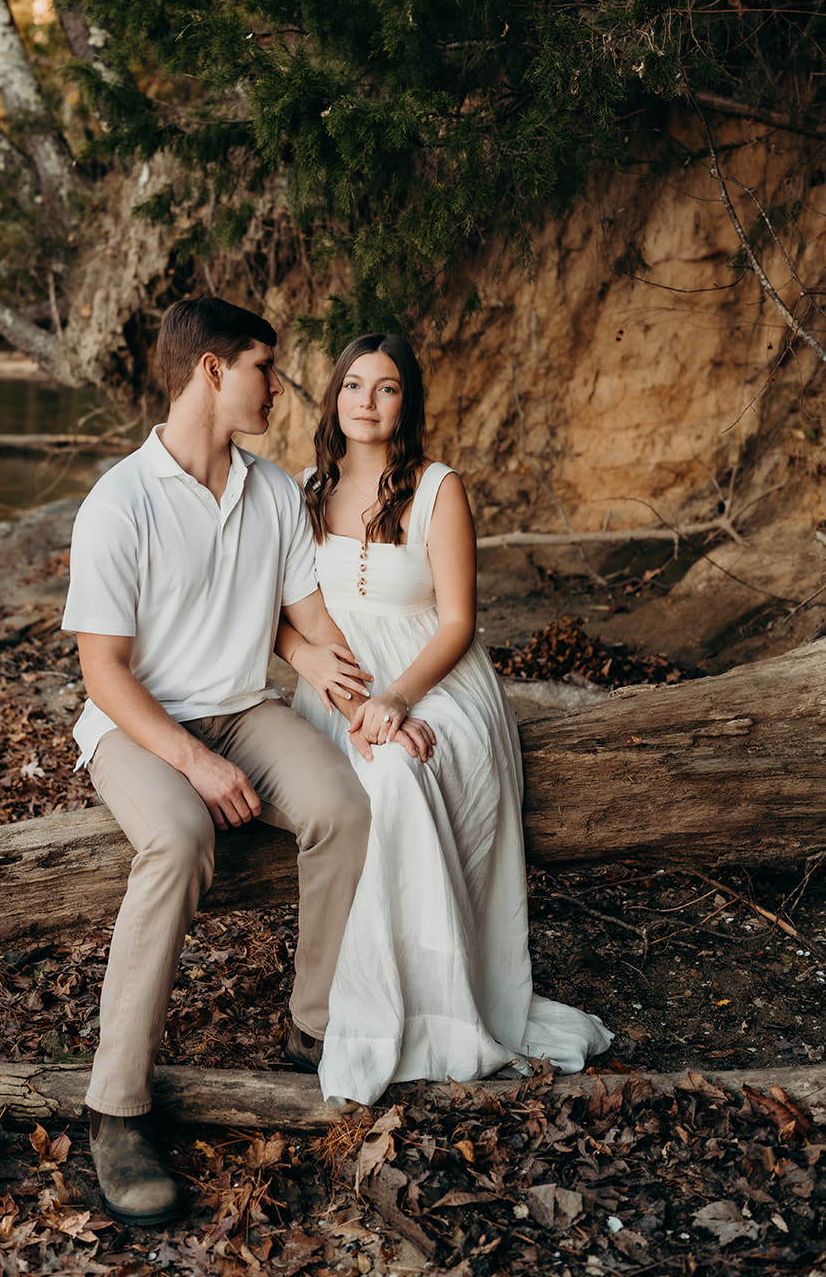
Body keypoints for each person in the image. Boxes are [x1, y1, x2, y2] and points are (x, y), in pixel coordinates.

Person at [61, 297, 372, 1225]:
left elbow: (308, 626)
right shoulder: (120, 500)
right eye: (263, 370)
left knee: (344, 808)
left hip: (245, 710)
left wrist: (360, 691)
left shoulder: (272, 491)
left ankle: (310, 1032)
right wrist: (193, 763)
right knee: (178, 836)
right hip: (137, 728)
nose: (278, 388)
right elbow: (103, 674)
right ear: (210, 371)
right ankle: (115, 1108)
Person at [276, 333, 612, 1106]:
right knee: (362, 778)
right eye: (353, 385)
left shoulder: (437, 488)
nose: (366, 401)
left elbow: (457, 622)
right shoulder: (301, 488)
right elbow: (280, 621)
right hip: (333, 692)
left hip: (434, 681)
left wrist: (396, 700)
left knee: (396, 771)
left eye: (385, 387)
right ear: (333, 398)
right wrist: (323, 673)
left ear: (406, 403)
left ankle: (421, 1009)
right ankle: (359, 997)